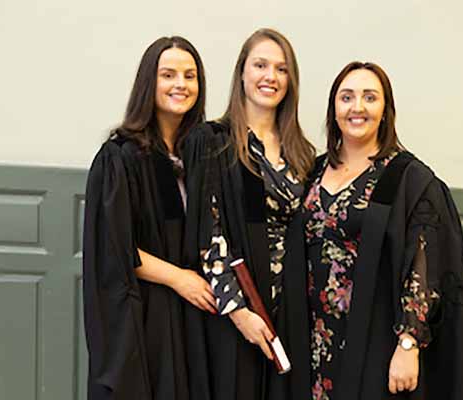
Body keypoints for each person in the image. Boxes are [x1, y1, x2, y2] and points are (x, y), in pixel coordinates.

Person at [300, 61, 463, 399]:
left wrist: (408, 342)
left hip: (374, 337)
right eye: (346, 97)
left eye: (370, 97)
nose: (357, 107)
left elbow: (424, 267)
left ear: (385, 110)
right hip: (313, 338)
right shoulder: (314, 170)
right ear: (334, 109)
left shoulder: (408, 178)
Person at [182, 28, 315, 400]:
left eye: (281, 69)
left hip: (290, 309)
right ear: (242, 72)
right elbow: (208, 233)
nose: (270, 76)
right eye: (260, 65)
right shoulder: (212, 141)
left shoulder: (301, 152)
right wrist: (239, 312)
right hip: (236, 309)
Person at [82, 36, 215, 400]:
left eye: (190, 76)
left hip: (193, 313)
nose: (180, 84)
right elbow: (115, 248)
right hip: (147, 313)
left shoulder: (200, 154)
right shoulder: (121, 156)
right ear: (148, 83)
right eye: (168, 75)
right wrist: (179, 279)